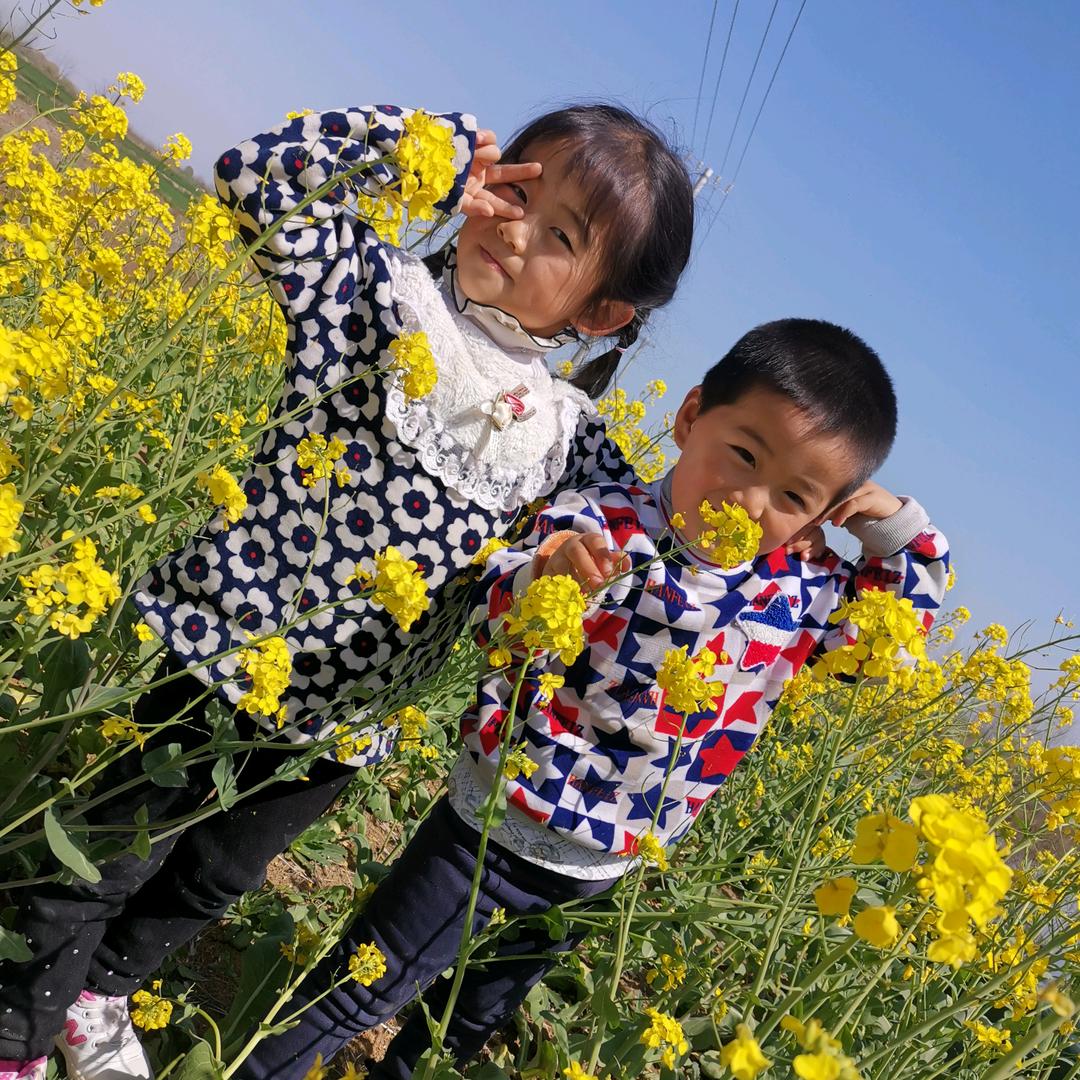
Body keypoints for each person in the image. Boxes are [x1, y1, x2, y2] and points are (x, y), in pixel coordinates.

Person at [0, 102, 696, 1080]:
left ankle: (102, 991)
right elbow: (258, 179)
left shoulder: (568, 438)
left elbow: (630, 549)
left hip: (341, 724)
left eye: (559, 236)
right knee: (111, 847)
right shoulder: (379, 295)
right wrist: (422, 149)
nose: (510, 227)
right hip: (225, 654)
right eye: (512, 193)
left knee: (211, 881)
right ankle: (18, 1029)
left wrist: (563, 570)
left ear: (599, 313)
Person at [233, 317, 950, 1080]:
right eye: (743, 454)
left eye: (793, 496)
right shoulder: (601, 522)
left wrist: (897, 532)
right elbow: (495, 618)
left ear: (822, 516)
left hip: (604, 862)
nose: (749, 499)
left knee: (463, 1024)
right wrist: (547, 581)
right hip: (493, 819)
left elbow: (889, 644)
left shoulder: (800, 596)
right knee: (361, 984)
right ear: (689, 417)